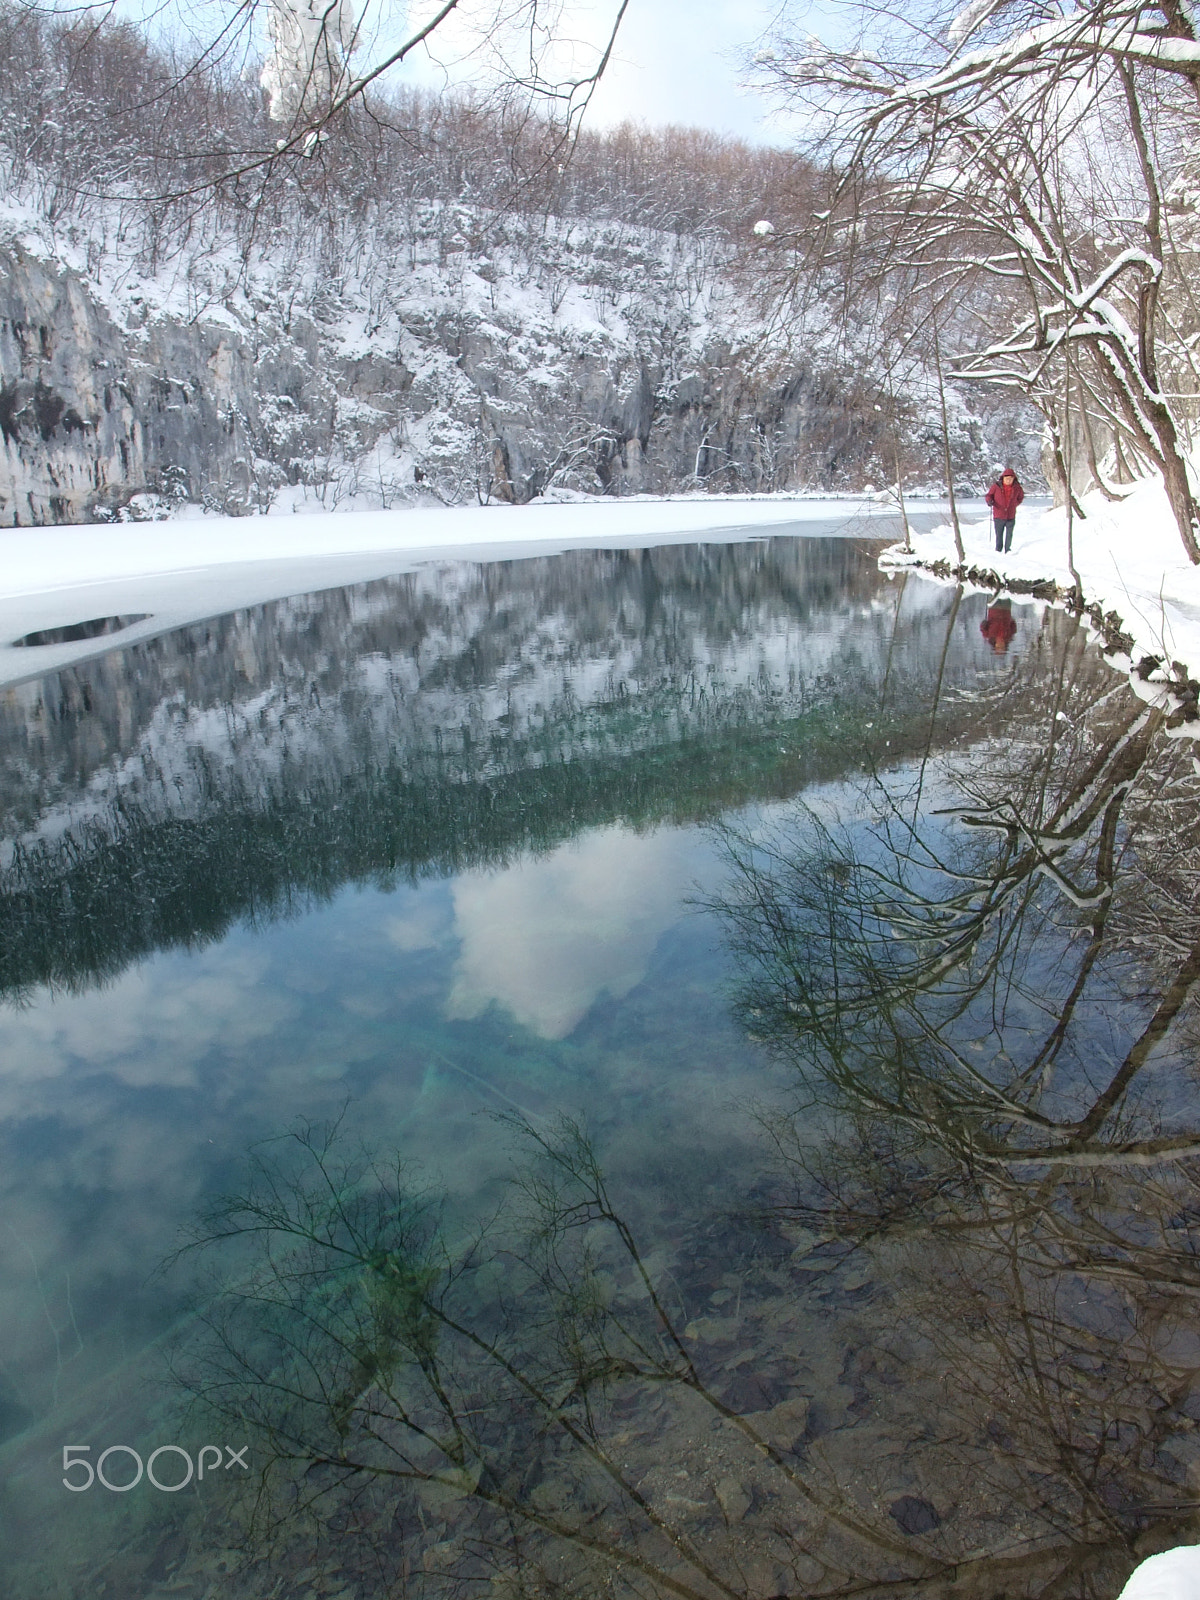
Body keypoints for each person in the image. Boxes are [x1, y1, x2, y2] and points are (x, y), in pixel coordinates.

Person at [985, 467, 1024, 553]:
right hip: (999, 515)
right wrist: (989, 501)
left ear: (1014, 479)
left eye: (1010, 479)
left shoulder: (1017, 487)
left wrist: (1014, 504)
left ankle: (1008, 550)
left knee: (1009, 534)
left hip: (1011, 515)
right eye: (1007, 478)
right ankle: (998, 550)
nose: (1008, 480)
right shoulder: (996, 486)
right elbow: (989, 495)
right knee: (999, 535)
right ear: (1003, 478)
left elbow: (1020, 498)